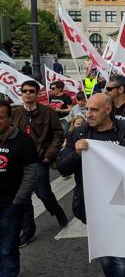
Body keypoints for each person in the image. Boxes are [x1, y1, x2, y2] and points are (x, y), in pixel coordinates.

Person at [57, 93, 125, 277]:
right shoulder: (79, 133)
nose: (89, 114)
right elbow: (62, 168)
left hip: (123, 202)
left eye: (94, 110)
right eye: (87, 110)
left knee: (121, 256)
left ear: (108, 110)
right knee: (105, 255)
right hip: (94, 205)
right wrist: (76, 153)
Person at [12, 80, 67, 247]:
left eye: (31, 91)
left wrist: (48, 155)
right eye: (25, 91)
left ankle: (57, 211)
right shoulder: (15, 113)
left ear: (37, 94)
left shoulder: (48, 113)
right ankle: (28, 232)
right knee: (23, 197)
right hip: (19, 162)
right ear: (21, 93)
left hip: (39, 160)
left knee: (43, 193)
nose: (28, 93)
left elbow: (58, 134)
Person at [0, 100, 37, 277]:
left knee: (8, 248)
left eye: (0, 118)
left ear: (9, 119)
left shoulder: (23, 141)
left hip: (10, 205)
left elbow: (31, 173)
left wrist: (18, 201)